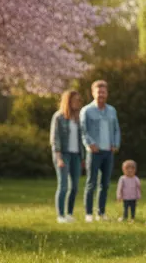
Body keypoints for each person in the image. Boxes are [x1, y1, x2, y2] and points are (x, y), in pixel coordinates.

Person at [80, 79, 121, 222]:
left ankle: (101, 213)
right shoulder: (86, 110)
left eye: (103, 92)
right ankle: (89, 214)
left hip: (108, 152)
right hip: (94, 152)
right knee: (91, 183)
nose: (101, 94)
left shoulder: (112, 110)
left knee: (105, 184)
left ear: (107, 93)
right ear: (93, 93)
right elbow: (83, 131)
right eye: (98, 92)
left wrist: (115, 143)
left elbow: (116, 129)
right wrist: (90, 144)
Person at [49, 89, 85, 223]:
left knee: (74, 187)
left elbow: (82, 139)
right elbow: (55, 139)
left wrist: (82, 157)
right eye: (75, 100)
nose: (78, 102)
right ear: (68, 101)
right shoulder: (58, 117)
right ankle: (60, 215)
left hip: (76, 155)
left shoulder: (79, 118)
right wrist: (58, 158)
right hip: (62, 154)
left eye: (79, 100)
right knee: (63, 185)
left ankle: (69, 213)